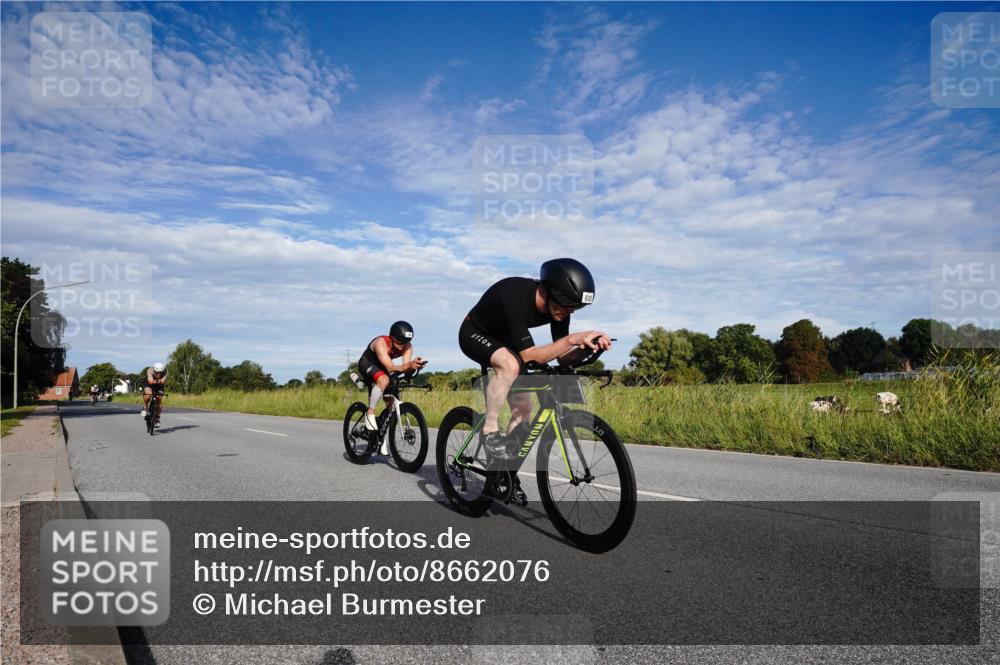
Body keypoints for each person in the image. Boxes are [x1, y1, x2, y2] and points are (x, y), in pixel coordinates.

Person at [458, 258, 611, 463]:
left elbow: (562, 356)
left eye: (576, 308)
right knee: (510, 365)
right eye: (568, 305)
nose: (570, 312)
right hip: (474, 332)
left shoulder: (559, 310)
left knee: (523, 410)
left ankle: (504, 475)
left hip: (506, 341)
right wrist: (572, 338)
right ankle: (490, 429)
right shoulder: (514, 294)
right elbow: (530, 356)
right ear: (550, 291)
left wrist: (588, 350)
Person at [356, 322, 427, 431]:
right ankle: (370, 412)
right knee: (384, 380)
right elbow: (390, 368)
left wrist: (414, 367)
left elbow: (405, 366)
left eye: (406, 342)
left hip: (382, 366)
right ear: (392, 337)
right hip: (367, 364)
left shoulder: (407, 346)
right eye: (400, 342)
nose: (402, 346)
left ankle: (380, 431)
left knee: (391, 402)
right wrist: (409, 365)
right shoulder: (381, 343)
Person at [142, 362, 168, 427]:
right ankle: (145, 407)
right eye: (157, 372)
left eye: (160, 372)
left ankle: (157, 419)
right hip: (149, 383)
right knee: (148, 394)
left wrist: (160, 381)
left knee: (159, 400)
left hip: (159, 384)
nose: (159, 374)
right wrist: (155, 381)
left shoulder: (166, 371)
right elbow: (150, 381)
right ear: (154, 370)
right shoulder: (150, 370)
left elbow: (163, 380)